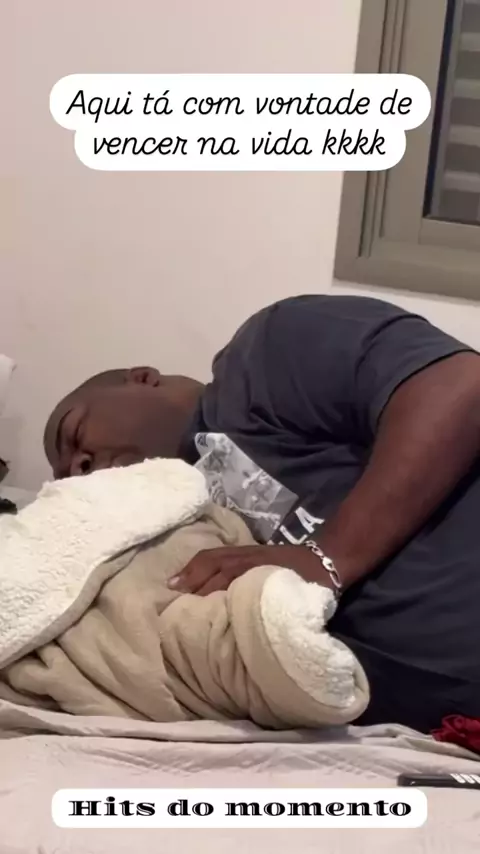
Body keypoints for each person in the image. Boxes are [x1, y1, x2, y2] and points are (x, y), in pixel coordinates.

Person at [44, 295, 480, 733]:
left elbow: (458, 386)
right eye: (68, 476)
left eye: (73, 433)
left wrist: (327, 558)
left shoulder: (264, 355)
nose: (78, 467)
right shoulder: (166, 534)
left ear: (141, 378)